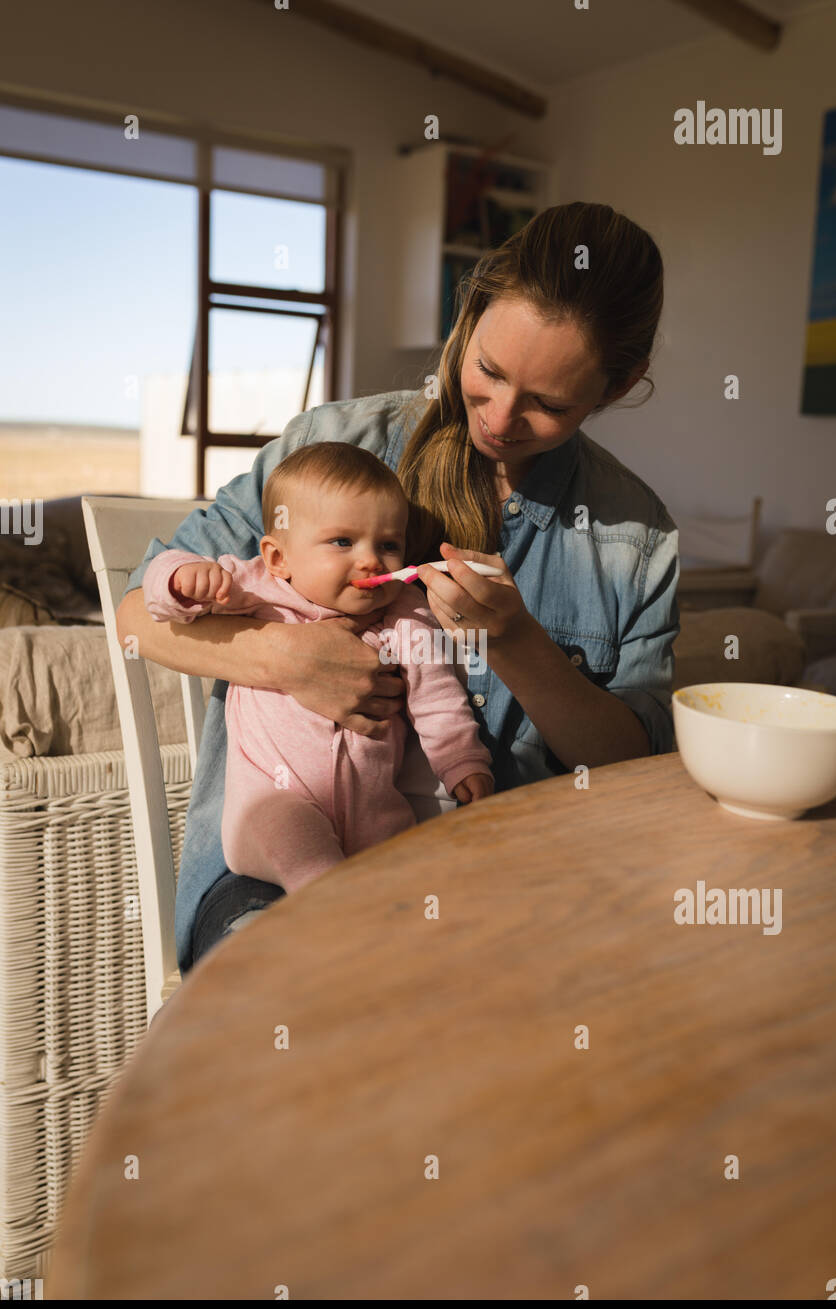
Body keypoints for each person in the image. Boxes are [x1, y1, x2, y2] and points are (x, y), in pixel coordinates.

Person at [117, 201, 680, 975]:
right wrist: (281, 657)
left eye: (549, 404)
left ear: (619, 388)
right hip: (268, 881)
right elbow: (132, 615)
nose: (502, 418)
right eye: (487, 371)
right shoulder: (329, 449)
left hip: (516, 888)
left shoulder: (635, 537)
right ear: (468, 312)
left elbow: (635, 770)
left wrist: (517, 645)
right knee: (317, 1003)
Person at [140, 441, 494, 895]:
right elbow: (159, 590)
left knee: (416, 882)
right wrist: (181, 579)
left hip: (375, 816)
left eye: (388, 544)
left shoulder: (405, 613)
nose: (370, 559)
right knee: (311, 860)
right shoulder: (257, 588)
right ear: (278, 558)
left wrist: (463, 763)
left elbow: (438, 698)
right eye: (342, 541)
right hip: (272, 806)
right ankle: (331, 916)